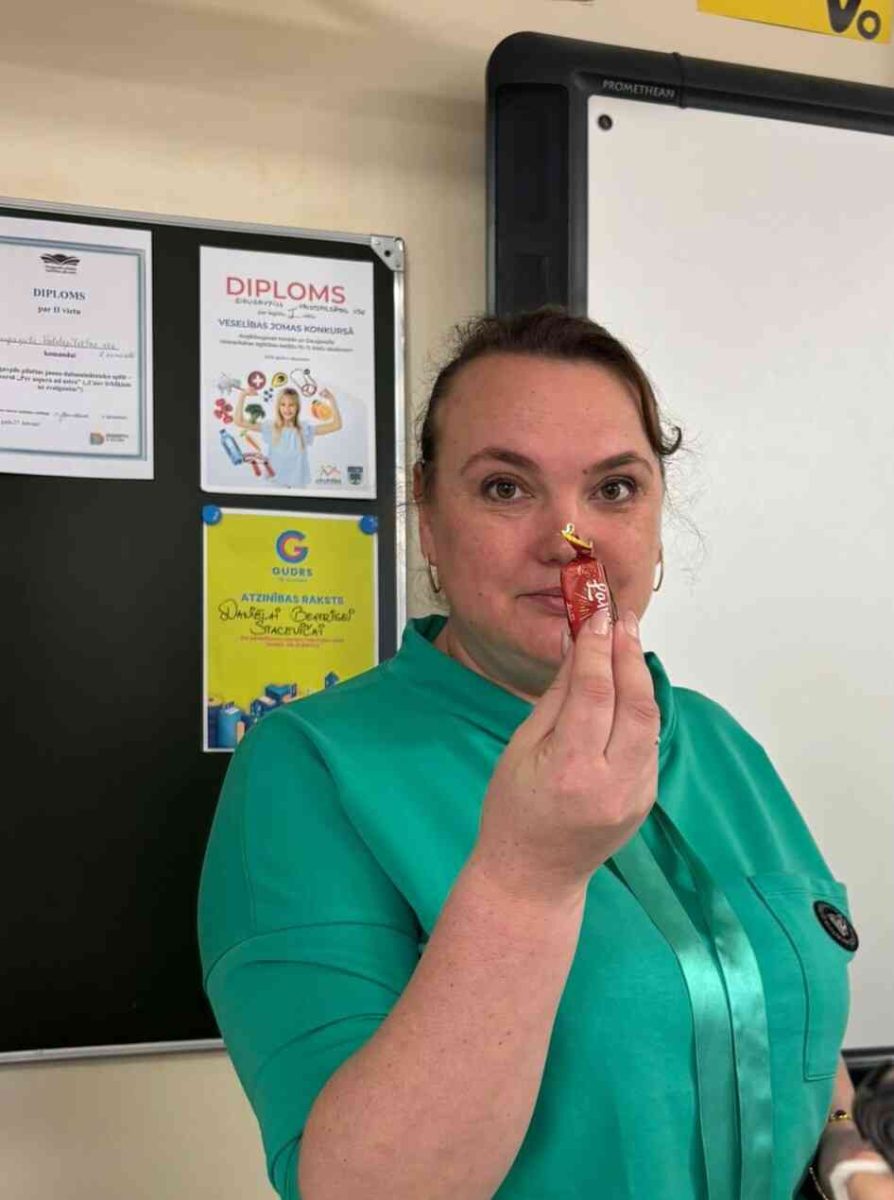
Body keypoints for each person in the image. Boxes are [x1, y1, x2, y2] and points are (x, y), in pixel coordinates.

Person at [198, 310, 893, 1200]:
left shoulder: (720, 742)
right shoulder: (310, 770)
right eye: (505, 488)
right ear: (427, 518)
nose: (571, 543)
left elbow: (772, 1001)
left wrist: (842, 1138)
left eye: (614, 489)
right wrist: (527, 880)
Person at [234, 383, 342, 488]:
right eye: (283, 405)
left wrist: (331, 399)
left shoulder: (304, 429)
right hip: (274, 483)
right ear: (278, 407)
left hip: (298, 485)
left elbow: (336, 425)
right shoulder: (271, 427)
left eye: (291, 405)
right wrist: (243, 395)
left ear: (297, 407)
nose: (287, 409)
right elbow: (239, 421)